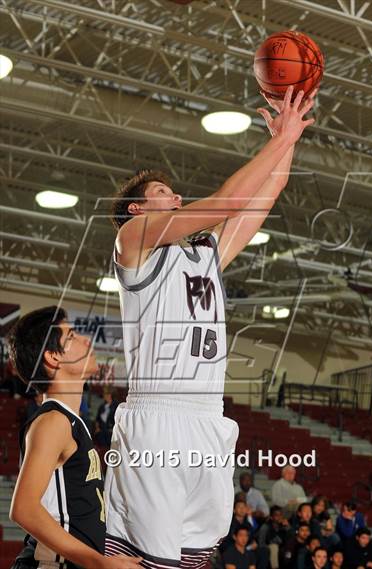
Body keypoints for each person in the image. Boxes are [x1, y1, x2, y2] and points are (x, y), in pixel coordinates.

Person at [105, 85, 316, 567]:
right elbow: (227, 200)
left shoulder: (204, 255)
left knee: (195, 555)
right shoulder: (131, 240)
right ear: (137, 209)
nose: (175, 195)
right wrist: (276, 141)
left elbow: (264, 196)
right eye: (163, 192)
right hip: (156, 417)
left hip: (207, 417)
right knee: (146, 560)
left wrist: (290, 137)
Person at [7, 306, 140, 569]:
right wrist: (99, 562)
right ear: (53, 357)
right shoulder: (53, 421)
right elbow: (23, 508)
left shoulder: (70, 420)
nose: (86, 340)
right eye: (72, 336)